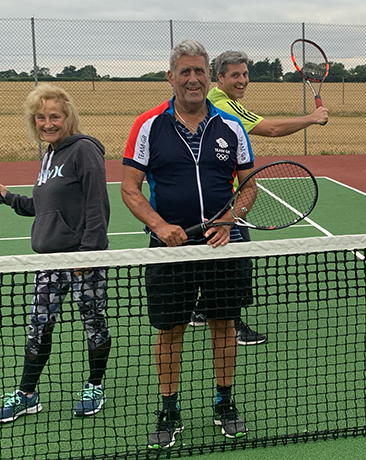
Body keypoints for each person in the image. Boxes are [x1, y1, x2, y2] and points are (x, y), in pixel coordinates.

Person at [122, 39, 252, 448]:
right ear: (171, 77)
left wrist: (231, 220)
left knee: (224, 325)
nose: (193, 79)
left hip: (225, 245)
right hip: (170, 248)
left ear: (209, 77)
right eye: (185, 71)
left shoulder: (230, 126)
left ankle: (225, 401)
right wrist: (160, 226)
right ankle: (169, 408)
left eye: (200, 71)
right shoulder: (147, 125)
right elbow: (129, 189)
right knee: (170, 330)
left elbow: (249, 185)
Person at [185, 49, 331, 345]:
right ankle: (233, 324)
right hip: (217, 198)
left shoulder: (218, 101)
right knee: (237, 260)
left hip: (207, 192)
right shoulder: (221, 103)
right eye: (235, 75)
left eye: (245, 74)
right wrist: (313, 118)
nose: (242, 80)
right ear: (220, 78)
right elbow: (272, 129)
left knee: (211, 256)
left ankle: (201, 309)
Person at [0, 83, 112, 422]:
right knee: (38, 327)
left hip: (82, 259)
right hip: (49, 261)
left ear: (68, 116)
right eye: (40, 117)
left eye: (54, 116)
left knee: (93, 323)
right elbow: (44, 207)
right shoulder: (50, 154)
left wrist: (88, 255)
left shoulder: (84, 150)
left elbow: (97, 206)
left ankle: (94, 386)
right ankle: (27, 395)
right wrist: (11, 198)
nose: (47, 123)